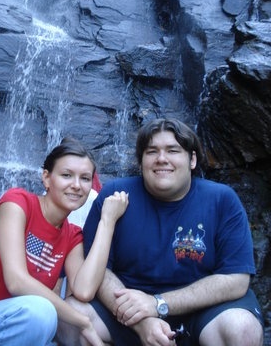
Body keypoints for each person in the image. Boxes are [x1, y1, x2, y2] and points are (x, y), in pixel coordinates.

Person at [57, 118, 264, 346]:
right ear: (141, 161)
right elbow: (100, 271)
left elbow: (236, 279)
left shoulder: (222, 200)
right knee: (70, 317)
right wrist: (141, 321)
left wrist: (158, 303)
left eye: (173, 150)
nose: (161, 159)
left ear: (192, 159)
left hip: (204, 311)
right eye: (152, 151)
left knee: (242, 328)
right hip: (127, 308)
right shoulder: (115, 196)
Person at [0, 137, 129, 346]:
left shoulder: (72, 236)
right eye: (67, 175)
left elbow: (84, 290)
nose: (76, 185)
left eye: (85, 178)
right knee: (40, 312)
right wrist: (83, 322)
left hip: (10, 332)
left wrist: (107, 222)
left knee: (43, 319)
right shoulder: (17, 204)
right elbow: (16, 281)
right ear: (47, 178)